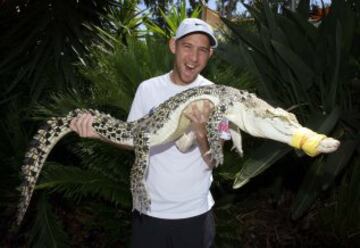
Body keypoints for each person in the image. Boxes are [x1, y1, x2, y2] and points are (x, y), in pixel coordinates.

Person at [70, 18, 226, 248]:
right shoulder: (148, 89)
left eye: (202, 50)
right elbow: (134, 139)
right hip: (150, 213)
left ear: (210, 55)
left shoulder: (218, 97)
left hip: (195, 215)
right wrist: (98, 133)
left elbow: (215, 161)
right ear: (173, 45)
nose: (194, 58)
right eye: (187, 46)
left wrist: (201, 133)